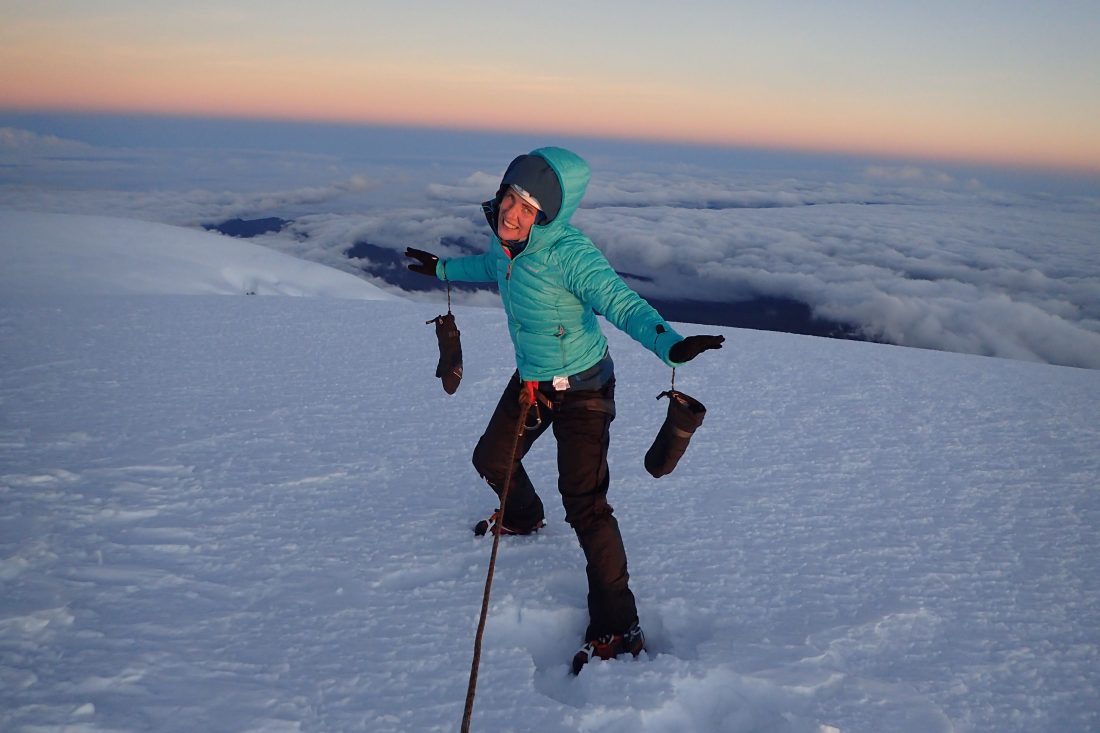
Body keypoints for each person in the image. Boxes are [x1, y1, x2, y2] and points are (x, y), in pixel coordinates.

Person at [405, 147, 723, 674]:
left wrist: (670, 345)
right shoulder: (505, 244)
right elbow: (488, 264)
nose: (512, 213)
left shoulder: (570, 254)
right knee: (492, 457)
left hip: (584, 388)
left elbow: (622, 303)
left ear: (547, 215)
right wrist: (440, 267)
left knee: (586, 504)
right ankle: (526, 515)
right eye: (511, 199)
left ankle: (619, 625)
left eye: (528, 208)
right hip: (533, 380)